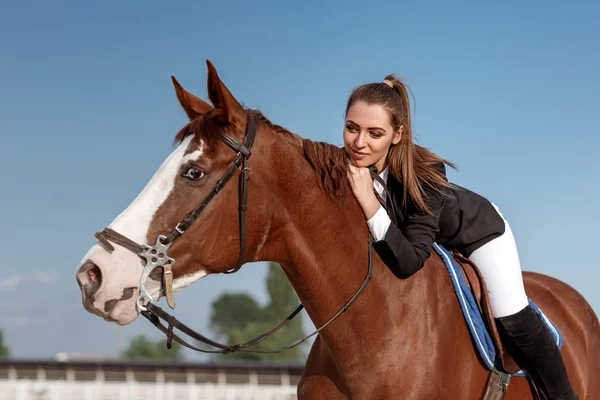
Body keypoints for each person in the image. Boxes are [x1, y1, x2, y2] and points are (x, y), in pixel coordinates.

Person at [344, 75, 578, 400]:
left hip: (479, 235)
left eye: (375, 133)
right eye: (352, 128)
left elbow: (410, 260)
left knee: (512, 319)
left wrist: (368, 201)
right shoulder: (347, 167)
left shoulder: (425, 175)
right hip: (430, 242)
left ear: (398, 135)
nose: (359, 143)